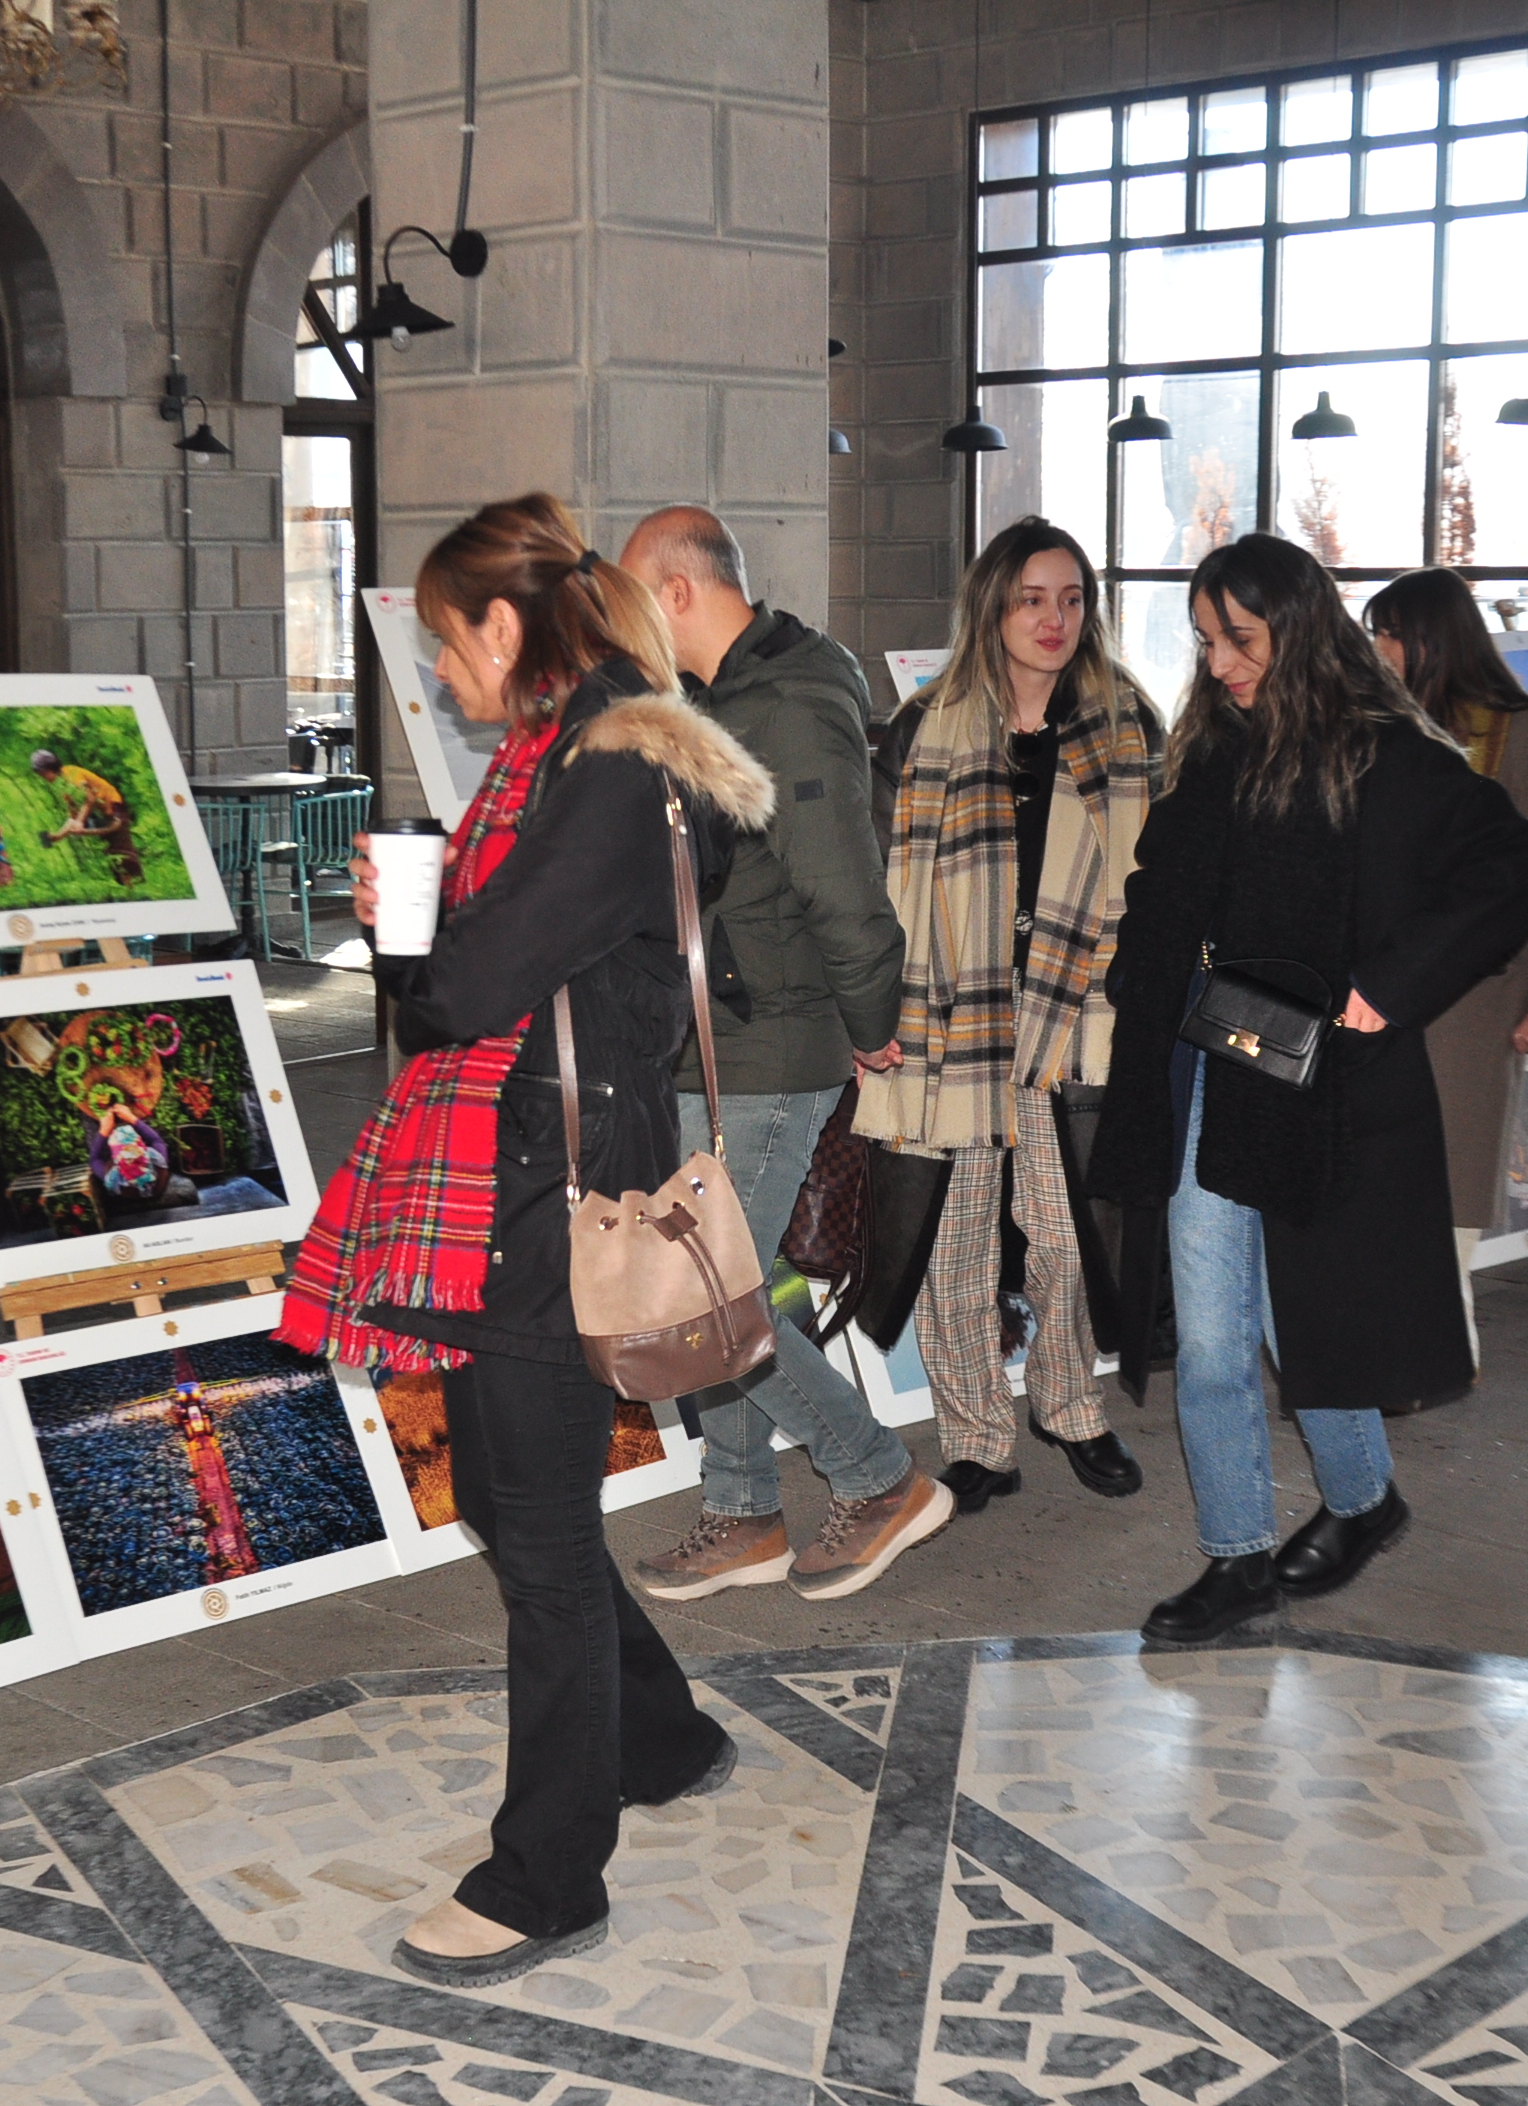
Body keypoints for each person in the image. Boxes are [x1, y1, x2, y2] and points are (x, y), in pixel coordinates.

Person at [278, 492, 763, 1987]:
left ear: (505, 625)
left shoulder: (611, 768)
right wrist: (425, 915)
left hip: (549, 1197)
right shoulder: (584, 755)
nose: (439, 671)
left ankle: (550, 1878)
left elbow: (465, 991)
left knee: (540, 1532)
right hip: (529, 1177)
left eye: (444, 640)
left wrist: (413, 927)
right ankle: (664, 1738)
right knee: (500, 1487)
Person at [1087, 533, 1528, 1644]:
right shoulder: (1215, 749)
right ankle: (1239, 1555)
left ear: (1297, 630)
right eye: (1203, 643)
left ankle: (1360, 1498)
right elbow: (1164, 886)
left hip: (1319, 1085)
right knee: (1210, 1334)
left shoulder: (1387, 755)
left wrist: (1389, 988)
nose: (1217, 665)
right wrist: (1138, 977)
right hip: (1209, 1066)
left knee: (1313, 1316)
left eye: (1236, 640)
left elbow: (1517, 868)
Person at [610, 506, 945, 1602]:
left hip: (775, 1041)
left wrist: (870, 1022)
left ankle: (877, 1475)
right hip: (712, 1042)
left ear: (675, 592)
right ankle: (743, 1512)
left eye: (631, 597)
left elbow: (844, 881)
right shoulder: (716, 700)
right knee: (738, 1282)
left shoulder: (793, 702)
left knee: (705, 1305)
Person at [862, 518, 1159, 1516]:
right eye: (1033, 598)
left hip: (1077, 1019)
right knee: (956, 1240)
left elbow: (1162, 882)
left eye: (1071, 599)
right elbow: (877, 886)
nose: (1054, 619)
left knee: (1069, 1235)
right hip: (950, 1022)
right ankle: (977, 1436)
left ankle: (1070, 1406)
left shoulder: (1127, 727)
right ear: (993, 606)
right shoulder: (923, 726)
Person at [1362, 570, 1528, 1349]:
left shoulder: (1512, 731)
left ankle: (1438, 1350)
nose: (1378, 649)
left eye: (1390, 632)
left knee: (1454, 1178)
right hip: (1387, 990)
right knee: (1384, 1184)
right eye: (1374, 632)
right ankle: (1395, 1349)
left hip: (1478, 1000)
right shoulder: (1377, 728)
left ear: (1433, 637)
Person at [31, 750, 145, 885]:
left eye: (43, 773)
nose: (43, 777)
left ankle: (137, 886)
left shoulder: (72, 774)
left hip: (113, 807)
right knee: (111, 853)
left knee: (122, 849)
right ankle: (127, 886)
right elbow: (73, 815)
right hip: (100, 816)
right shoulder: (62, 784)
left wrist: (79, 822)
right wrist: (57, 836)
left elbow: (89, 799)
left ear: (51, 767)